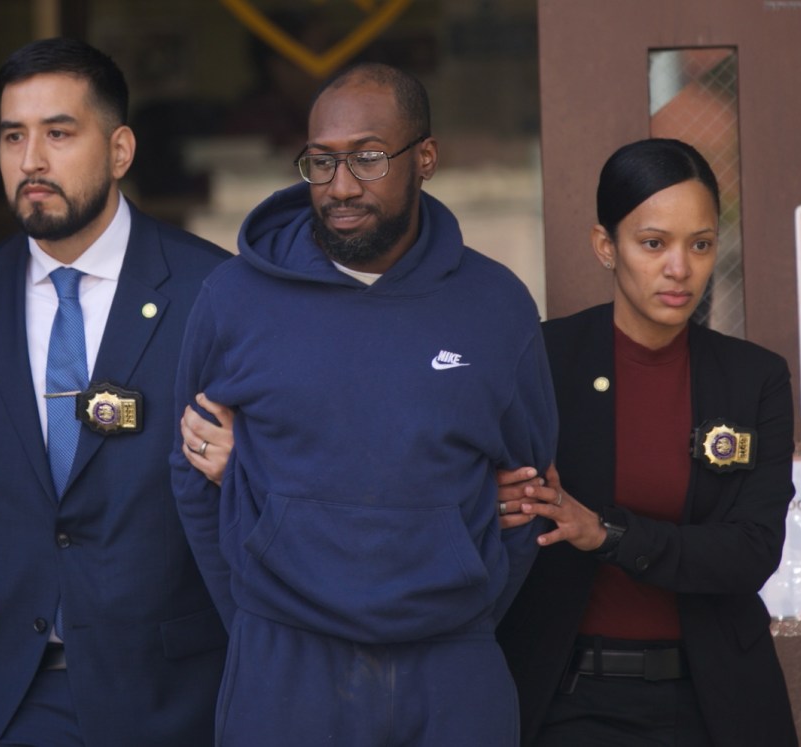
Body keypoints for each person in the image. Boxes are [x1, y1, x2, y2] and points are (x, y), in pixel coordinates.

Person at [170, 62, 558, 747]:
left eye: (369, 158)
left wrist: (462, 597)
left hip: (450, 669)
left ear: (426, 158)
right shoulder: (234, 299)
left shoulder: (497, 308)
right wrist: (260, 620)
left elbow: (527, 496)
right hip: (282, 668)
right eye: (321, 162)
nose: (340, 186)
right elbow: (190, 471)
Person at [0, 37, 230, 747]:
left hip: (169, 696)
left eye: (59, 133)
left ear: (121, 150)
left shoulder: (213, 294)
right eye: (14, 135)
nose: (31, 160)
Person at [494, 138, 798, 745]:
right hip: (565, 699)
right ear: (607, 246)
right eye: (653, 243)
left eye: (701, 244)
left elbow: (752, 551)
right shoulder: (542, 360)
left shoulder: (753, 378)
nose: (679, 269)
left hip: (715, 702)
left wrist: (605, 532)